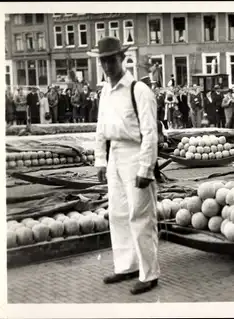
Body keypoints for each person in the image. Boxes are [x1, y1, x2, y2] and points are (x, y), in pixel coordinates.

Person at [88, 36, 160, 294]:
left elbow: (150, 133)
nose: (107, 65)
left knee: (140, 215)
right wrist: (100, 159)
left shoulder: (138, 90)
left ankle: (149, 273)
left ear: (122, 59)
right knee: (118, 214)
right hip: (114, 155)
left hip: (135, 154)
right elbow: (100, 127)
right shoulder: (105, 91)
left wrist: (145, 168)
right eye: (103, 60)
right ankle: (126, 266)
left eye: (111, 59)